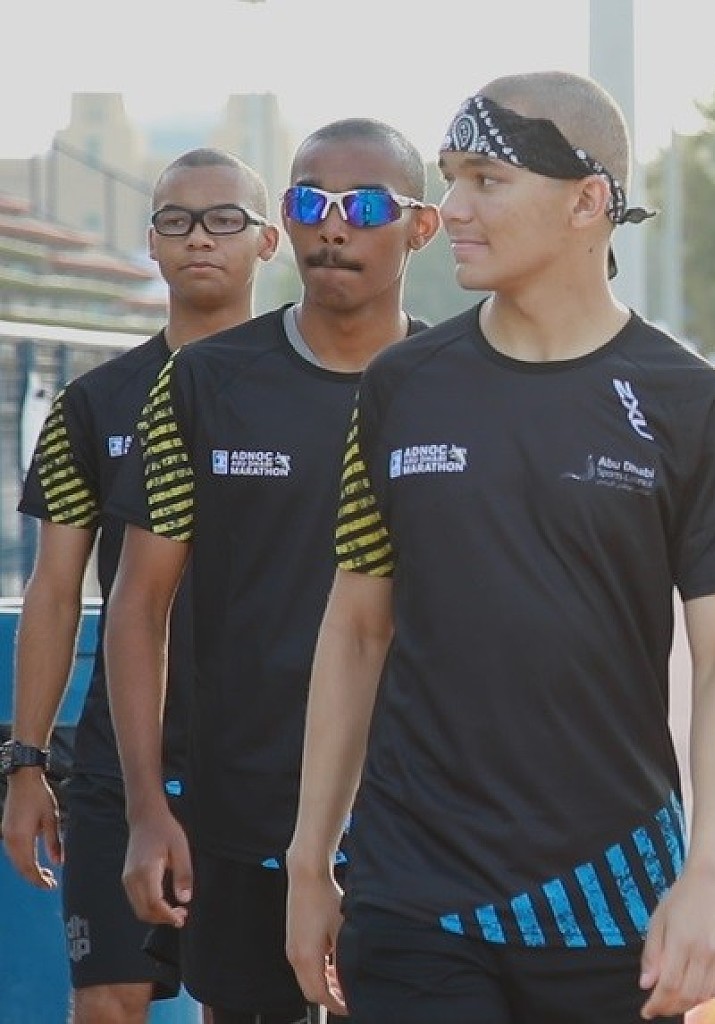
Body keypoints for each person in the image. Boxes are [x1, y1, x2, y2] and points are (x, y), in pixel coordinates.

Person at [284, 71, 715, 1024]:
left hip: (608, 895)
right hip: (412, 890)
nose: (455, 209)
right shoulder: (400, 387)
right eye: (451, 178)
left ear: (587, 200)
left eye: (487, 180)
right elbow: (355, 631)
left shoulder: (688, 403)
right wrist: (312, 861)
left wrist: (711, 872)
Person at [102, 118, 440, 1024]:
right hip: (243, 810)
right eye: (308, 203)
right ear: (283, 222)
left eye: (364, 207)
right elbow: (137, 606)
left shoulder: (456, 387)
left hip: (416, 813)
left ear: (421, 226)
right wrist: (146, 807)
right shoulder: (205, 382)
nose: (332, 227)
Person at [0, 147, 277, 1023]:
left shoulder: (314, 391)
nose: (200, 238)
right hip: (123, 764)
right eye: (176, 221)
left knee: (248, 1004)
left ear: (268, 241)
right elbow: (54, 590)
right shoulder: (93, 402)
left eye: (225, 219)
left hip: (271, 759)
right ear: (150, 243)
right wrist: (26, 763)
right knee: (108, 1002)